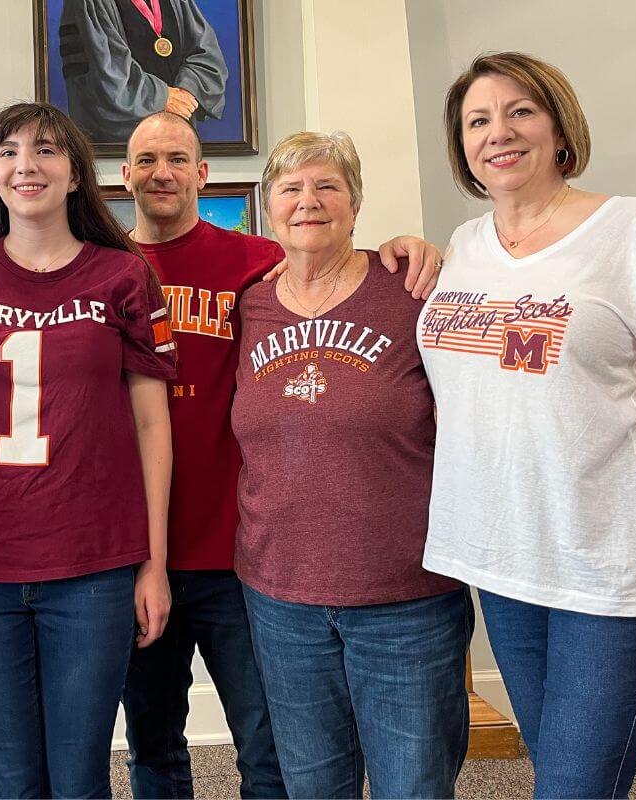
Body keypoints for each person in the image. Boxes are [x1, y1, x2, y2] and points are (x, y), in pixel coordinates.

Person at [118, 111, 443, 800]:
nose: (162, 172)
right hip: (135, 551)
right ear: (123, 176)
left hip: (243, 556)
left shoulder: (253, 267)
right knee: (152, 743)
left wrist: (406, 247)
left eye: (178, 158)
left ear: (205, 174)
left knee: (274, 755)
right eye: (146, 160)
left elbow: (333, 260)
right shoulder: (104, 269)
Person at [419, 52, 636, 798]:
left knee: (572, 787)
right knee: (566, 775)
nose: (498, 133)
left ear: (559, 127)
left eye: (520, 112)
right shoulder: (465, 248)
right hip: (503, 561)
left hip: (608, 569)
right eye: (478, 120)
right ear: (463, 146)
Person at [0, 101, 176, 799]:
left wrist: (155, 563)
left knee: (80, 776)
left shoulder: (123, 276)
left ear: (77, 175)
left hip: (94, 563)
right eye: (9, 152)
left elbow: (153, 426)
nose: (27, 165)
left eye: (48, 150)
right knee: (10, 774)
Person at [231, 131, 472, 798]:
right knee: (314, 786)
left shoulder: (413, 288)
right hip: (280, 598)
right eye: (291, 188)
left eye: (327, 186)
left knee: (413, 785)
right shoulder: (249, 305)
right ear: (268, 207)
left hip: (405, 597)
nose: (309, 200)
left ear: (357, 203)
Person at [59, 0, 227, 142]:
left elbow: (207, 55)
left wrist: (189, 89)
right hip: (116, 154)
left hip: (177, 139)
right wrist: (163, 98)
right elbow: (106, 74)